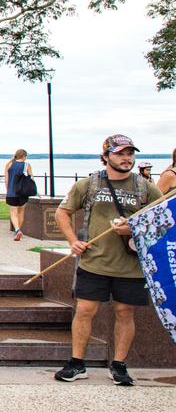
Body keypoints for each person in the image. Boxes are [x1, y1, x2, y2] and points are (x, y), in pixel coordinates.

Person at [52, 134, 161, 385]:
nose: (127, 158)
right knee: (85, 310)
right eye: (120, 154)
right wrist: (73, 241)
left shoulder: (144, 187)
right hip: (94, 261)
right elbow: (62, 212)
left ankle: (119, 365)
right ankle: (77, 363)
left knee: (125, 312)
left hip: (130, 265)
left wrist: (133, 229)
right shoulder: (89, 184)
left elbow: (161, 221)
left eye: (130, 154)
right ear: (106, 156)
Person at [4, 149, 34, 241]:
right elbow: (31, 178)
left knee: (13, 212)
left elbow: (6, 179)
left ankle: (17, 230)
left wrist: (8, 189)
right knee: (21, 212)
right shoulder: (27, 165)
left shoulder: (9, 164)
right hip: (23, 193)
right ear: (24, 156)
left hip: (11, 192)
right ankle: (18, 230)